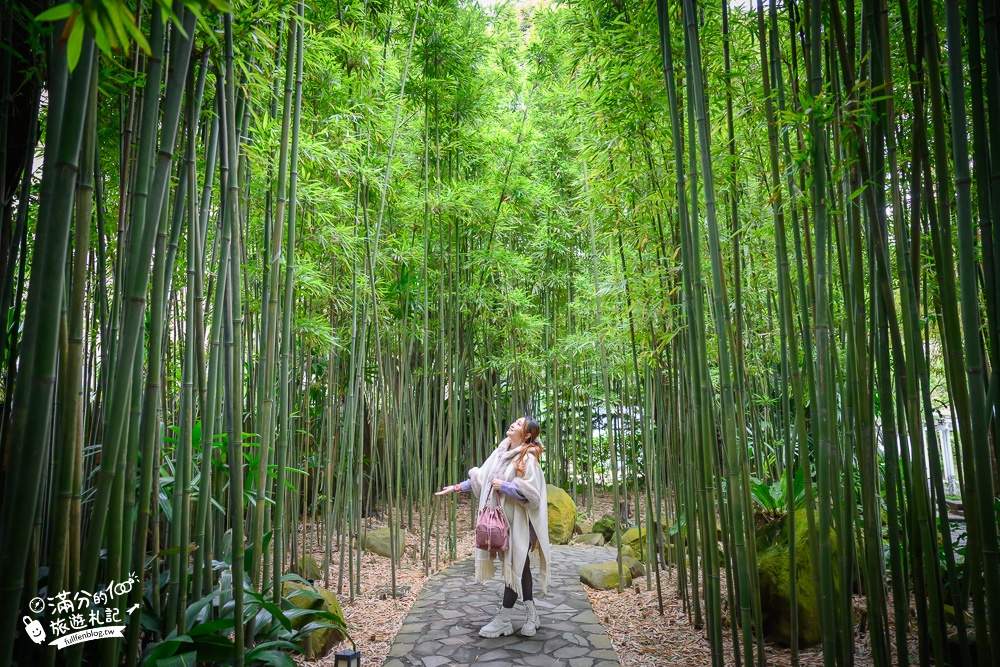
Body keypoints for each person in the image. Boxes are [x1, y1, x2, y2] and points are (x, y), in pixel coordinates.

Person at [436, 416, 551, 638]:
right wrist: (457, 487)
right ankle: (531, 613)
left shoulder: (528, 458)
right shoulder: (500, 453)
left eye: (519, 424)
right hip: (501, 523)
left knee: (513, 565)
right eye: (515, 422)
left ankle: (504, 619)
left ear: (527, 434)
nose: (513, 425)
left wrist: (506, 486)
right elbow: (483, 478)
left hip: (521, 523)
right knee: (521, 566)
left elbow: (533, 496)